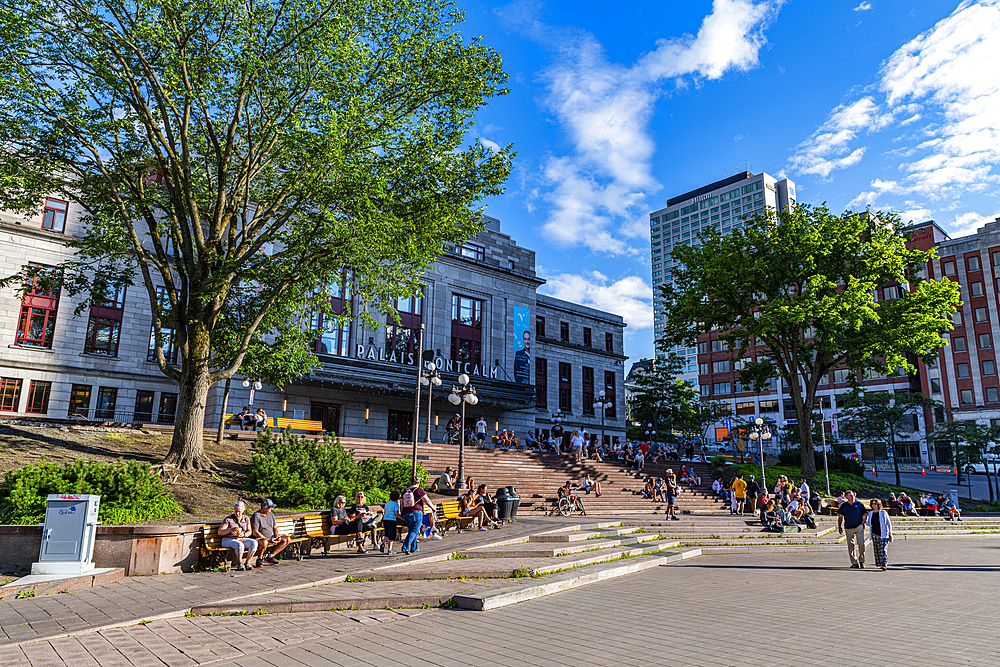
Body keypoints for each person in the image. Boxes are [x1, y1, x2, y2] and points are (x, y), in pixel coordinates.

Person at [250, 498, 290, 567]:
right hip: (259, 538)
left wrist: (276, 537)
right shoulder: (256, 516)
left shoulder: (271, 514)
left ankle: (270, 556)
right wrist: (268, 539)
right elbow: (255, 532)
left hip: (270, 537)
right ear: (264, 508)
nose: (272, 508)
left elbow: (275, 527)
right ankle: (259, 559)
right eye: (270, 507)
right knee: (264, 542)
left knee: (287, 539)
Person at [218, 501, 257, 571]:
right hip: (228, 539)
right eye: (236, 511)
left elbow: (249, 531)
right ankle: (240, 563)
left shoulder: (246, 518)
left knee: (254, 543)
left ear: (243, 511)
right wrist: (230, 530)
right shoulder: (228, 519)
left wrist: (244, 534)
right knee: (240, 545)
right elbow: (220, 532)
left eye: (239, 511)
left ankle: (247, 562)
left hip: (240, 538)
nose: (237, 513)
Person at [837, 490, 867, 568]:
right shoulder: (844, 506)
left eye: (853, 495)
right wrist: (839, 526)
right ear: (846, 497)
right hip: (848, 527)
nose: (852, 496)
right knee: (851, 546)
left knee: (861, 544)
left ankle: (862, 561)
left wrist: (863, 522)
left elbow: (864, 513)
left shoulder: (859, 504)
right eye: (850, 495)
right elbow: (840, 516)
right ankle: (854, 562)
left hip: (858, 526)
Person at [401, 480, 428, 555]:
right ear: (418, 483)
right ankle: (405, 547)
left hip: (406, 514)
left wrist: (402, 514)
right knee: (414, 531)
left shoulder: (405, 491)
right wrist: (433, 508)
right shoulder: (419, 490)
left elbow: (401, 504)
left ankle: (414, 547)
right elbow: (427, 500)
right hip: (416, 513)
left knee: (411, 530)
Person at [866, 498, 893, 570]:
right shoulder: (871, 513)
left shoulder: (883, 512)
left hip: (883, 534)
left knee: (883, 549)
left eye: (875, 504)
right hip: (874, 534)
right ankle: (879, 563)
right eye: (872, 504)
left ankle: (884, 563)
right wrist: (863, 521)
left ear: (878, 505)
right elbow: (869, 523)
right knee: (877, 549)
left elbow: (888, 523)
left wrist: (890, 533)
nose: (874, 505)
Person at [380, 490, 400, 554]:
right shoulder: (395, 504)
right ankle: (389, 549)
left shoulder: (387, 503)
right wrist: (401, 517)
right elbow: (396, 513)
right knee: (391, 536)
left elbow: (385, 512)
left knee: (386, 534)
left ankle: (383, 543)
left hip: (386, 520)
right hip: (392, 520)